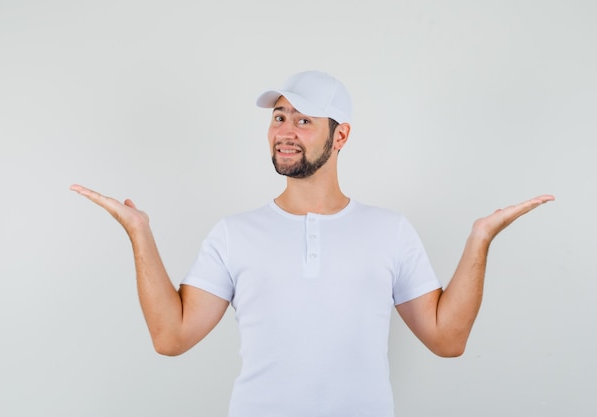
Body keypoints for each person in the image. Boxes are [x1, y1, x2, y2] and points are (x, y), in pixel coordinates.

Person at [70, 70, 554, 417]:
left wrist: (480, 239)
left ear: (340, 135)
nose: (285, 131)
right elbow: (170, 337)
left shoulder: (390, 231)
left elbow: (447, 340)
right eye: (280, 117)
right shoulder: (234, 233)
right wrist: (139, 232)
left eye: (304, 121)